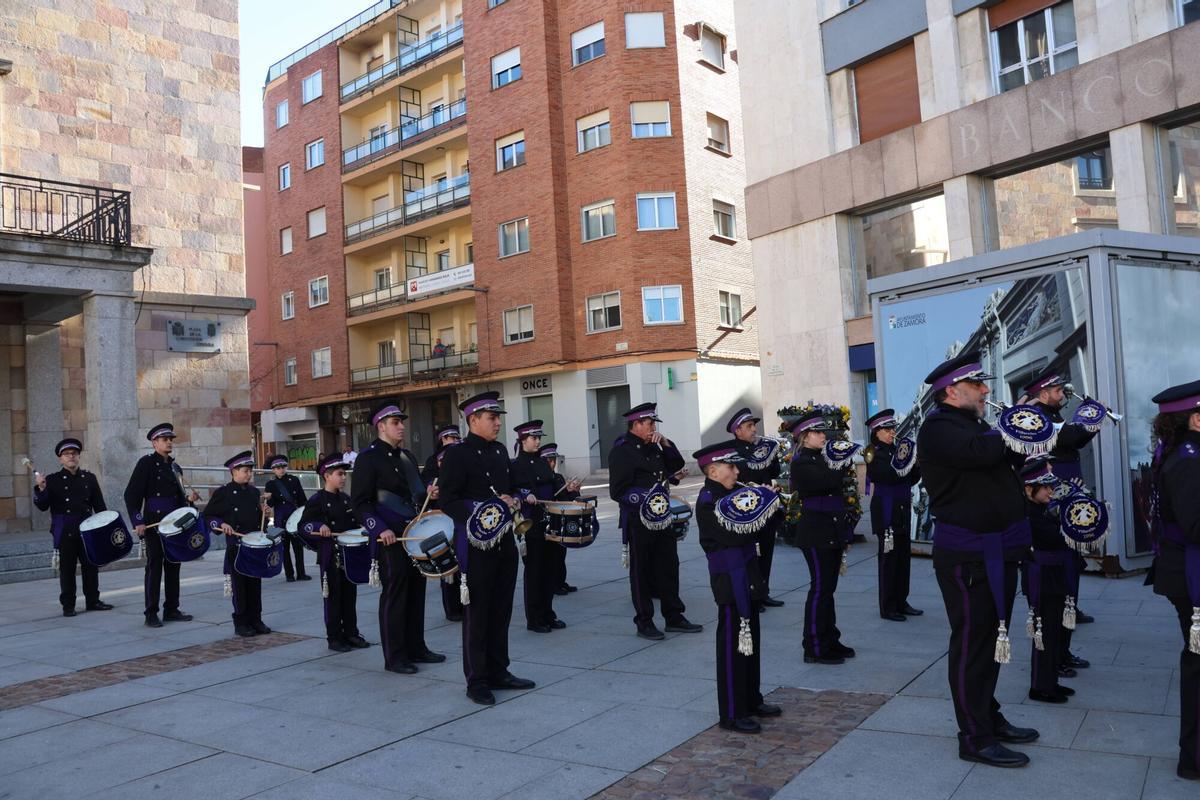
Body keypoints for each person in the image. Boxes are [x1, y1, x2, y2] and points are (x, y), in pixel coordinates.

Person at [917, 350, 1038, 768]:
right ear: (952, 391)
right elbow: (984, 453)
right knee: (973, 644)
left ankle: (988, 715)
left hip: (996, 549)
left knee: (990, 640)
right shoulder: (938, 429)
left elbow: (1009, 456)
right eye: (978, 385)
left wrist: (1031, 430)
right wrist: (1015, 422)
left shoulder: (974, 423)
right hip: (967, 557)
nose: (987, 390)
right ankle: (974, 736)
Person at [439, 391, 536, 705]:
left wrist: (515, 499)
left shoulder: (498, 451)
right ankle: (476, 679)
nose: (497, 423)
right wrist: (483, 507)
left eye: (498, 418)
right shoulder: (457, 454)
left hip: (504, 540)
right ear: (473, 420)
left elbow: (510, 489)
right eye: (491, 418)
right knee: (478, 613)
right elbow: (448, 500)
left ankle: (499, 670)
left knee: (501, 609)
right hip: (476, 543)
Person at [694, 441, 782, 734]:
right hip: (729, 578)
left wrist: (770, 502)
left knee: (751, 639)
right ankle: (731, 712)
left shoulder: (735, 492)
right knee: (733, 643)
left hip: (748, 571)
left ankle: (751, 699)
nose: (736, 470)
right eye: (731, 466)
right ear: (714, 470)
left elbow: (761, 528)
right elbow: (732, 535)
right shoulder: (709, 500)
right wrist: (758, 505)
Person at [352, 402, 443, 675]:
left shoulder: (406, 457)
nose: (402, 426)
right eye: (395, 422)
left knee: (416, 592)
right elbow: (360, 503)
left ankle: (417, 647)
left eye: (402, 421)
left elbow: (413, 495)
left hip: (413, 534)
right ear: (381, 426)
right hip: (390, 540)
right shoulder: (368, 458)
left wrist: (429, 493)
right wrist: (379, 528)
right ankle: (395, 656)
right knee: (396, 595)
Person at [1023, 371, 1098, 664]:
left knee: (1070, 564)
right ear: (1043, 392)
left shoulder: (1050, 414)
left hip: (1063, 494)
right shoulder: (1039, 417)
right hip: (1052, 501)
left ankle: (1063, 641)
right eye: (1057, 390)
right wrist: (1091, 416)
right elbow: (1070, 438)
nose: (1063, 394)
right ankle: (1057, 655)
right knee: (1061, 571)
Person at [609, 402, 701, 640]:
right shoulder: (622, 449)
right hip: (639, 519)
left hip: (663, 517)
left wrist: (666, 444)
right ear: (636, 424)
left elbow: (676, 466)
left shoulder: (655, 446)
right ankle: (644, 621)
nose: (652, 427)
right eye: (649, 423)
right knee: (641, 571)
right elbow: (618, 490)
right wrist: (648, 500)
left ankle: (674, 616)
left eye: (653, 423)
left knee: (669, 566)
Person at [1147, 379, 1200, 781]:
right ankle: (1193, 755)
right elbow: (1195, 524)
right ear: (1196, 419)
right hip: (1192, 572)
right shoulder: (1187, 459)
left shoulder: (1185, 452)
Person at [788, 409, 855, 665]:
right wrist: (840, 460)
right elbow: (826, 482)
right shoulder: (802, 461)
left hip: (832, 529)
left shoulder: (823, 456)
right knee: (820, 588)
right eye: (817, 432)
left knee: (828, 588)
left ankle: (830, 638)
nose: (822, 436)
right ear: (804, 437)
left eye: (822, 431)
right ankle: (814, 646)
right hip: (816, 532)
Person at [124, 423, 198, 628]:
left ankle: (172, 609)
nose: (169, 442)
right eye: (164, 440)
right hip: (154, 523)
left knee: (174, 566)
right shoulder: (146, 464)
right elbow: (131, 495)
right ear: (154, 442)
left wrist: (190, 500)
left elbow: (181, 499)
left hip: (175, 524)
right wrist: (138, 521)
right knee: (154, 568)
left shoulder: (175, 467)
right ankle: (151, 612)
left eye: (170, 439)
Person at [33, 438, 115, 616]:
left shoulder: (89, 478)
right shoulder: (52, 480)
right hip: (65, 531)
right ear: (60, 458)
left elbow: (99, 506)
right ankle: (68, 605)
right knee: (67, 570)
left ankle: (93, 601)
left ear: (78, 456)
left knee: (91, 567)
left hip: (87, 530)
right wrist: (40, 489)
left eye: (74, 453)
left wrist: (104, 528)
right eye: (66, 454)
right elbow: (42, 505)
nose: (71, 456)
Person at [299, 454, 371, 652]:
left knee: (350, 596)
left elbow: (356, 522)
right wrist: (318, 525)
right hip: (331, 556)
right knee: (333, 598)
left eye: (345, 474)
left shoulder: (346, 499)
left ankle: (351, 633)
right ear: (327, 476)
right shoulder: (317, 500)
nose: (344, 478)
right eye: (340, 474)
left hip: (349, 556)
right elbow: (303, 526)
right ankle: (334, 637)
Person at [1020, 456, 1075, 704]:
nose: (1051, 491)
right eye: (1046, 487)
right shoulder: (1029, 514)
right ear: (1030, 488)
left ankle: (1050, 681)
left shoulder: (1041, 509)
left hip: (1053, 574)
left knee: (1053, 631)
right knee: (1044, 632)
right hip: (1041, 577)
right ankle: (1040, 687)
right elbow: (1055, 538)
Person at [205, 451, 272, 638]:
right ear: (233, 471)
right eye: (245, 471)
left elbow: (259, 522)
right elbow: (209, 515)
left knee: (255, 584)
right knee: (240, 586)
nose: (249, 474)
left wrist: (264, 516)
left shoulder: (253, 492)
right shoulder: (224, 492)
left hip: (253, 545)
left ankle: (256, 619)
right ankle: (241, 622)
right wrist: (220, 524)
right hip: (237, 545)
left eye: (250, 471)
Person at [865, 409, 923, 622]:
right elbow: (887, 475)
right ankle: (888, 606)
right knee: (888, 560)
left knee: (902, 559)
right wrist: (905, 463)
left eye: (893, 428)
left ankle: (902, 601)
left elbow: (911, 478)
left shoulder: (899, 449)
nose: (892, 432)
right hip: (886, 511)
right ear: (877, 432)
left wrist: (915, 464)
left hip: (901, 508)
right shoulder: (873, 452)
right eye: (887, 429)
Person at [727, 407, 785, 609]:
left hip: (766, 509)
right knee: (751, 554)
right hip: (748, 509)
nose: (754, 430)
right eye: (749, 426)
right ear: (738, 431)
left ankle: (763, 592)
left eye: (754, 426)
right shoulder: (733, 452)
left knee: (766, 551)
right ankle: (752, 594)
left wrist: (773, 453)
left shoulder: (762, 447)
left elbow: (775, 471)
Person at [510, 420, 563, 633]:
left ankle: (548, 613)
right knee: (534, 573)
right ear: (523, 440)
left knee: (550, 570)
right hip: (531, 525)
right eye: (534, 438)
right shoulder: (515, 465)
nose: (538, 441)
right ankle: (534, 618)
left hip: (550, 522)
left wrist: (567, 489)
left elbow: (554, 484)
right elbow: (511, 489)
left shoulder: (542, 462)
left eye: (539, 438)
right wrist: (524, 494)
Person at [424, 425, 464, 621]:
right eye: (448, 438)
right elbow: (425, 485)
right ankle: (452, 608)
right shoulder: (433, 461)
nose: (452, 440)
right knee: (447, 563)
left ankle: (465, 602)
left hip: (459, 516)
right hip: (441, 515)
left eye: (454, 437)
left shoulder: (462, 456)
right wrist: (430, 489)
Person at [540, 443, 581, 597]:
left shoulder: (558, 477)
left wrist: (573, 491)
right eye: (549, 460)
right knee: (551, 556)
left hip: (560, 520)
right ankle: (553, 585)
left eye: (554, 460)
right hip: (548, 522)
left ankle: (561, 582)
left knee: (561, 552)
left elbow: (567, 499)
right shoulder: (543, 480)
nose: (552, 463)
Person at [264, 454, 310, 582]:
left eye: (283, 466)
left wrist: (304, 515)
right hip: (281, 519)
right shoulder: (271, 484)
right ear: (273, 470)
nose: (281, 470)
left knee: (298, 547)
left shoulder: (294, 480)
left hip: (294, 518)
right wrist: (268, 498)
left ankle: (301, 573)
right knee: (284, 548)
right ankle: (289, 575)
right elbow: (271, 504)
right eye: (278, 468)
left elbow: (302, 499)